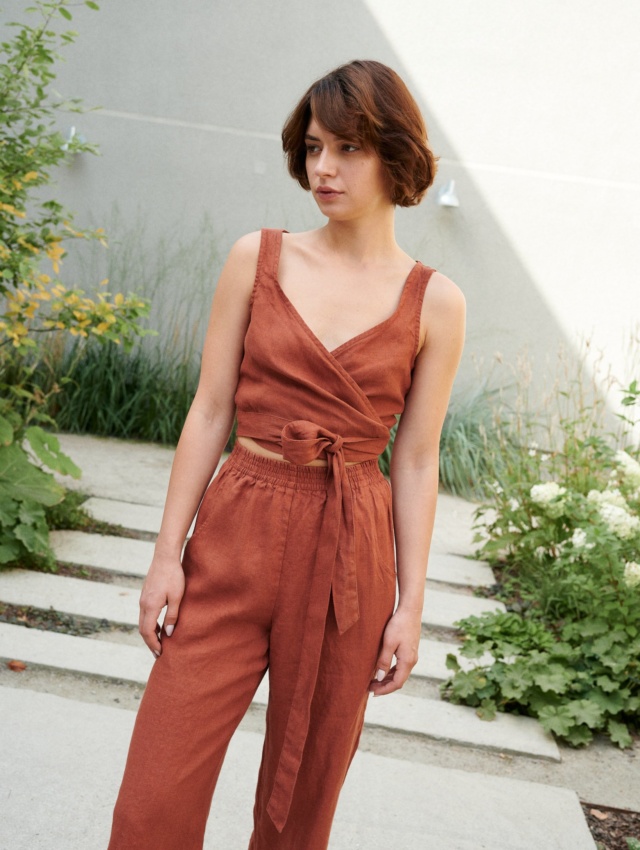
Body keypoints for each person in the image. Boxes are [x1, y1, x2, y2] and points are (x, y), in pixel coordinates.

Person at [107, 59, 465, 850]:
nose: (323, 169)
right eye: (312, 148)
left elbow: (415, 460)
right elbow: (209, 412)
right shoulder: (256, 258)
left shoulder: (435, 303)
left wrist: (409, 603)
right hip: (239, 525)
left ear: (395, 155)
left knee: (301, 805)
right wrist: (168, 554)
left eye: (348, 148)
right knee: (153, 797)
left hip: (350, 547)